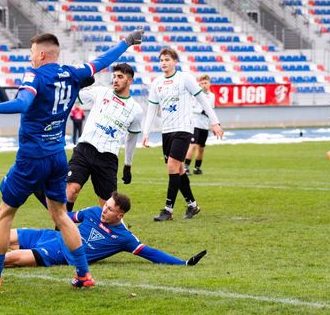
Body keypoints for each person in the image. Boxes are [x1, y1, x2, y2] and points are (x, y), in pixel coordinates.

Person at [0, 30, 144, 291]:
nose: (31, 58)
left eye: (32, 53)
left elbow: (23, 103)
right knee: (61, 215)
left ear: (42, 54)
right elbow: (102, 61)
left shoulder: (34, 75)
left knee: (5, 214)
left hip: (31, 157)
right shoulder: (72, 73)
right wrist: (126, 42)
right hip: (57, 155)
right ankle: (83, 275)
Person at [0, 192, 207, 275]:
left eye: (110, 209)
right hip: (46, 236)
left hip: (58, 253)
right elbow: (65, 216)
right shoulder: (93, 212)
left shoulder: (123, 237)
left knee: (11, 258)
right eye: (106, 205)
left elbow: (151, 254)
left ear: (120, 215)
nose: (105, 210)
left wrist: (182, 263)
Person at [142, 48, 224, 222]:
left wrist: (215, 122)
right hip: (166, 131)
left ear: (175, 61)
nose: (163, 63)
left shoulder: (185, 78)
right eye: (161, 60)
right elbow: (151, 109)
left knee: (172, 166)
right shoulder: (156, 82)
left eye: (167, 59)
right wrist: (146, 132)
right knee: (178, 169)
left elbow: (202, 99)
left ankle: (168, 210)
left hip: (183, 129)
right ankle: (192, 205)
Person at [66, 63, 143, 211]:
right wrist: (79, 83)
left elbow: (132, 138)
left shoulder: (136, 110)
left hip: (107, 158)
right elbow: (74, 94)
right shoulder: (101, 92)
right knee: (71, 190)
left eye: (120, 77)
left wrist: (128, 165)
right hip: (85, 149)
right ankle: (62, 226)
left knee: (108, 207)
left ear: (130, 80)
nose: (115, 80)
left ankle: (108, 227)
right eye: (114, 76)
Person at [184, 74, 216, 175]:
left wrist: (213, 124)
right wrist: (200, 111)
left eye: (205, 83)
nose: (203, 85)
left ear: (209, 84)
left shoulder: (212, 96)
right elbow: (190, 108)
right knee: (192, 145)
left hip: (204, 125)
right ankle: (186, 167)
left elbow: (211, 111)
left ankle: (197, 168)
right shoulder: (196, 95)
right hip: (195, 124)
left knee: (201, 148)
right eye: (201, 83)